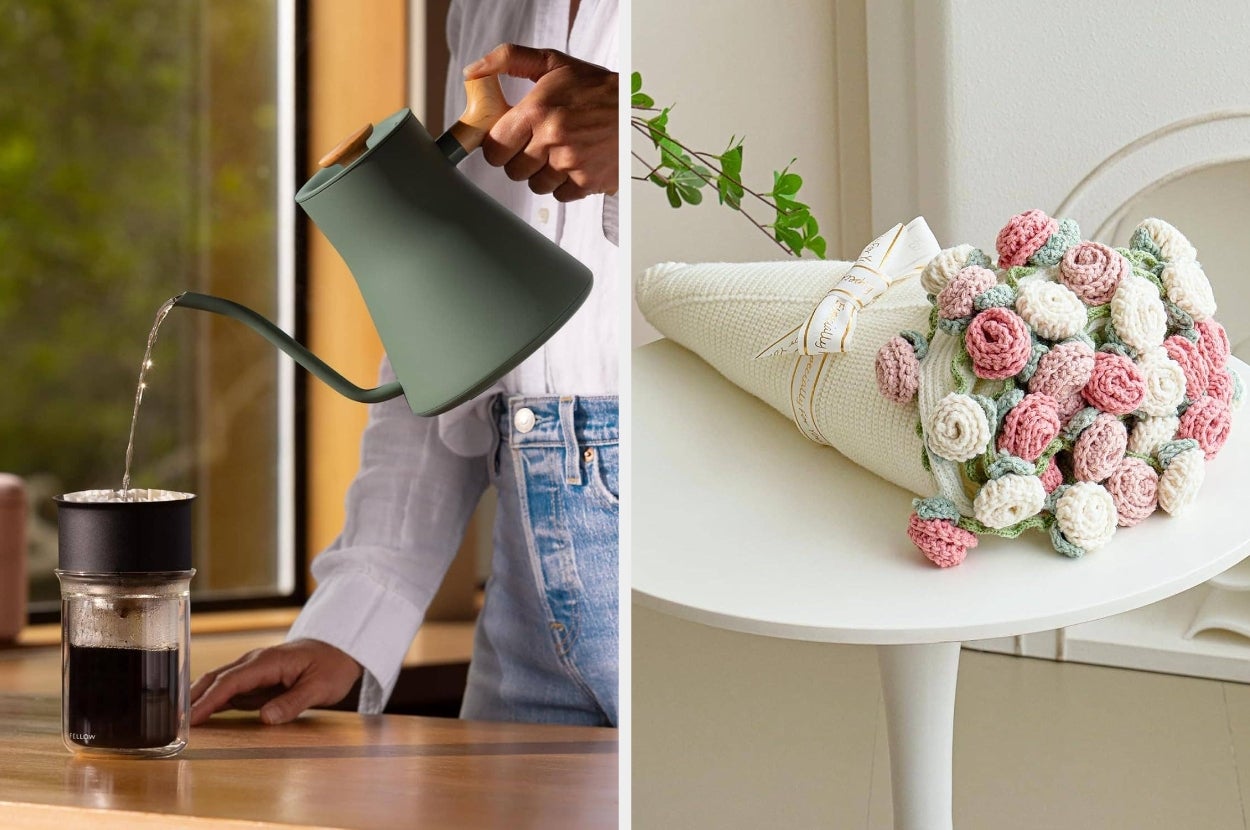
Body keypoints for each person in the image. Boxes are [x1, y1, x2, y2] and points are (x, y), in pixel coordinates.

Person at [190, 0, 619, 727]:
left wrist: (640, 145)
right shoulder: (487, 12)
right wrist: (347, 627)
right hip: (524, 631)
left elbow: (817, 256)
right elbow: (446, 341)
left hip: (684, 560)